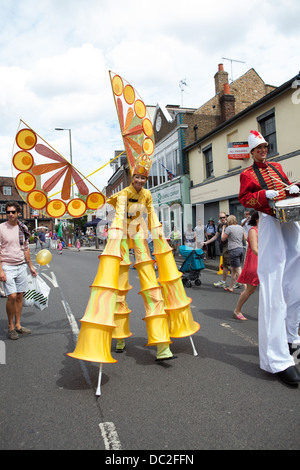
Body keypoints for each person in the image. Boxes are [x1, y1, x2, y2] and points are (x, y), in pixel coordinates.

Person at [239, 129, 300, 386]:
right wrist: (265, 195)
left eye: (265, 147)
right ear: (252, 152)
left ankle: (291, 336)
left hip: (290, 216)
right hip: (269, 220)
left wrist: (293, 188)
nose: (263, 150)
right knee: (273, 282)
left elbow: (285, 187)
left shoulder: (277, 166)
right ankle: (276, 358)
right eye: (259, 148)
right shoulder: (247, 173)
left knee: (296, 282)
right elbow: (244, 199)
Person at [0, 201, 37, 340]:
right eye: (8, 212)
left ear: (18, 213)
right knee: (12, 296)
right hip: (7, 266)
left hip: (21, 265)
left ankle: (18, 326)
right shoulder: (1, 228)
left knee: (20, 296)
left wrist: (30, 266)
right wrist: (0, 271)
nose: (10, 214)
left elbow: (26, 248)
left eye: (13, 212)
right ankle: (10, 327)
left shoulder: (23, 228)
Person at [233, 211, 259, 321]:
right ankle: (237, 310)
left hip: (266, 262)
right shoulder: (253, 230)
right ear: (258, 219)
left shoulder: (267, 231)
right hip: (255, 261)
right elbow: (254, 249)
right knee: (250, 290)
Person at [221, 215, 246, 292]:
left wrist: (223, 230)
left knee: (238, 269)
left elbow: (222, 238)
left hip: (233, 250)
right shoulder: (240, 227)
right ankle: (231, 286)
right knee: (233, 269)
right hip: (241, 249)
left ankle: (245, 288)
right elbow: (244, 238)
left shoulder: (229, 228)